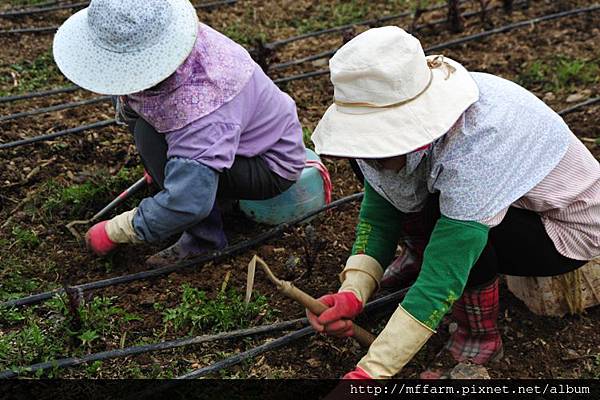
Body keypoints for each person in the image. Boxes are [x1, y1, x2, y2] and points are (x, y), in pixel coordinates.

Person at [308, 26, 600, 379]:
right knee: (428, 207)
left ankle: (479, 337)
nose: (369, 158)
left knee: (447, 228)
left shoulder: (475, 151)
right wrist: (353, 292)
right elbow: (381, 209)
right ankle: (417, 255)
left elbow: (441, 278)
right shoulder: (407, 128)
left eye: (377, 146)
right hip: (507, 200)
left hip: (566, 227)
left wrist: (370, 373)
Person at [52, 0, 306, 266]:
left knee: (153, 142)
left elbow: (188, 203)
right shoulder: (171, 39)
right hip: (237, 139)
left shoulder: (198, 110)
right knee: (151, 136)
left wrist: (117, 230)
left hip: (268, 164)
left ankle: (203, 242)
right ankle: (203, 185)